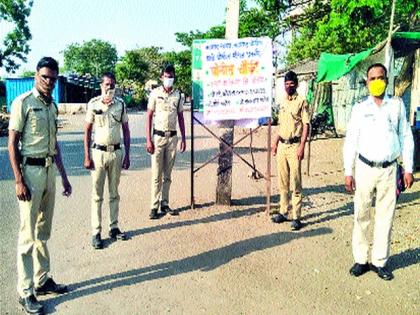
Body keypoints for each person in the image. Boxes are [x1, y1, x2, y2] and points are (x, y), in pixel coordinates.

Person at [8, 57, 72, 315]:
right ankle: (25, 291)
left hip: (49, 173)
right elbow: (12, 143)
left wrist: (64, 176)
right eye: (45, 77)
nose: (49, 82)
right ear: (36, 75)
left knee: (43, 230)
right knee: (27, 235)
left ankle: (42, 279)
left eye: (53, 78)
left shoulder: (52, 107)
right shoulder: (23, 103)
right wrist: (18, 180)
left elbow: (55, 145)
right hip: (30, 173)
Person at [344, 63, 414, 281]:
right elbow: (351, 141)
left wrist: (409, 168)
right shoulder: (359, 109)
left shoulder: (396, 105)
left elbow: (406, 137)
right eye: (372, 78)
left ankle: (380, 261)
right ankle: (361, 259)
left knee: (386, 216)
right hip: (364, 168)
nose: (377, 82)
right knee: (361, 214)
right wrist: (349, 171)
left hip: (389, 170)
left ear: (387, 79)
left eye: (380, 77)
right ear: (367, 82)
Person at [84, 72, 130, 249]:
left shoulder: (120, 105)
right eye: (106, 84)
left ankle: (114, 227)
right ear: (101, 85)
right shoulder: (93, 104)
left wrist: (127, 154)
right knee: (97, 195)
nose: (109, 88)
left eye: (112, 85)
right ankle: (96, 232)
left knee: (114, 193)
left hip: (115, 153)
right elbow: (87, 130)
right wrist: (87, 155)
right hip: (98, 154)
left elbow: (126, 130)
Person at [146, 64, 186, 219]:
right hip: (158, 138)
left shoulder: (178, 95)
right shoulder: (155, 94)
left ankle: (165, 203)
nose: (169, 79)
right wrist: (148, 139)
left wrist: (183, 138)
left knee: (168, 174)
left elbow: (181, 117)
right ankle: (154, 206)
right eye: (166, 76)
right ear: (161, 77)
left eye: (171, 76)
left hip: (172, 138)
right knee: (156, 174)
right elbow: (149, 116)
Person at [271, 71, 310, 230]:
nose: (289, 86)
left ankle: (296, 216)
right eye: (286, 84)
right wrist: (275, 142)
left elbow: (306, 125)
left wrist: (302, 146)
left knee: (295, 181)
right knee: (283, 181)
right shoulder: (283, 102)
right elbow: (282, 126)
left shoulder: (302, 102)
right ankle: (283, 211)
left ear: (296, 84)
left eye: (292, 83)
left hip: (295, 146)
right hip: (282, 146)